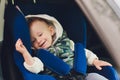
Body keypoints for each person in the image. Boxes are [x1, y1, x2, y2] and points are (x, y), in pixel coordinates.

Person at [15, 14, 112, 80]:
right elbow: (34, 67)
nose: (38, 40)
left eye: (40, 35)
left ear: (51, 31)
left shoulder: (67, 43)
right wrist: (25, 53)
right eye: (33, 41)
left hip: (82, 76)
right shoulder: (40, 56)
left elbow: (83, 53)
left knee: (95, 76)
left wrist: (95, 61)